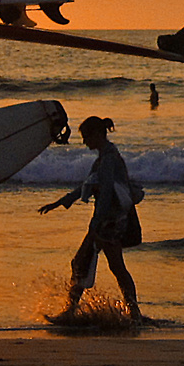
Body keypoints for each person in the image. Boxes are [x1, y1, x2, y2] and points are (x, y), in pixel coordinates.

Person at [39, 116, 143, 325]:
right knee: (111, 266)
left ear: (97, 135)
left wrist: (95, 224)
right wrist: (60, 202)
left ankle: (71, 311)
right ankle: (134, 313)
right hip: (111, 221)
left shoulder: (108, 160)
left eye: (87, 137)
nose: (85, 142)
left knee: (83, 262)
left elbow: (104, 195)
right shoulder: (105, 158)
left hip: (108, 222)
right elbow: (86, 186)